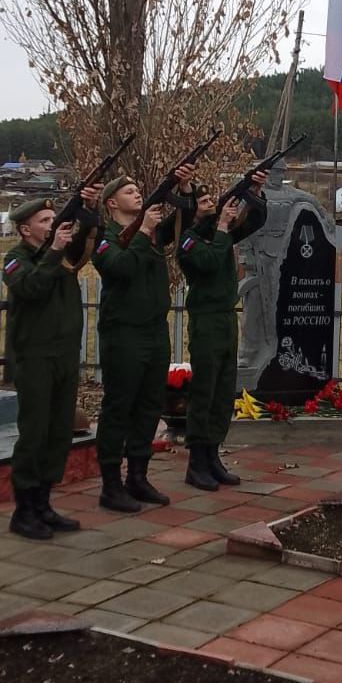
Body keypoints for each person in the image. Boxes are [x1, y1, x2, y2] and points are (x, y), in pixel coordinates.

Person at [91, 166, 196, 512]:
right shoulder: (105, 238)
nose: (137, 193)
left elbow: (188, 217)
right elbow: (119, 269)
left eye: (138, 189)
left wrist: (185, 188)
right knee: (119, 406)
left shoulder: (148, 233)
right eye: (129, 191)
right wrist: (144, 231)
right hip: (123, 333)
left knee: (151, 405)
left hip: (154, 330)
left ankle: (138, 476)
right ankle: (111, 484)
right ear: (111, 204)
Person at [2, 189, 101, 540]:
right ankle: (24, 510)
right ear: (25, 230)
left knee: (59, 432)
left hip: (63, 355)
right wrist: (55, 250)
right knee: (35, 433)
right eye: (44, 221)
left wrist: (89, 208)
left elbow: (90, 239)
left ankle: (44, 504)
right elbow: (31, 288)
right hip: (35, 357)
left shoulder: (60, 255)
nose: (51, 225)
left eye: (52, 219)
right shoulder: (16, 259)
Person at [176, 172, 268, 491]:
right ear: (192, 210)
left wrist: (254, 192)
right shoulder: (189, 241)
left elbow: (256, 221)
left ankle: (213, 455)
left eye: (211, 201)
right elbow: (210, 262)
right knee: (204, 391)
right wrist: (222, 227)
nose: (209, 206)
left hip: (226, 319)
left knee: (223, 390)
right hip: (206, 320)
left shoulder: (221, 233)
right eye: (202, 202)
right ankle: (196, 462)